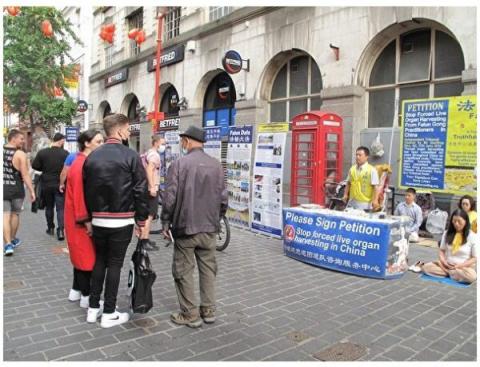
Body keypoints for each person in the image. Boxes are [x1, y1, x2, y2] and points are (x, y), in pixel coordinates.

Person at [83, 113, 148, 328]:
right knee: (114, 265)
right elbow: (140, 190)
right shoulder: (131, 156)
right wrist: (141, 220)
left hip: (99, 220)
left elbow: (87, 190)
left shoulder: (92, 157)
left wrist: (89, 217)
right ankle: (109, 311)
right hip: (121, 220)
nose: (129, 133)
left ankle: (93, 308)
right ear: (119, 131)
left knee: (100, 261)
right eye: (128, 129)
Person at [161, 125, 228, 328]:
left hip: (186, 226)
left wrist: (165, 221)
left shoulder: (180, 164)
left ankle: (189, 314)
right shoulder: (216, 165)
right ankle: (208, 310)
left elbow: (170, 197)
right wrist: (217, 218)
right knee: (208, 269)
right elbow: (224, 199)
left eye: (183, 140)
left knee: (183, 270)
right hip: (209, 227)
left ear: (186, 141)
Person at [65, 130, 104, 309]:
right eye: (98, 141)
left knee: (79, 256)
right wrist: (87, 221)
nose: (101, 144)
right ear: (87, 143)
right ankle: (87, 296)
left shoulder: (79, 161)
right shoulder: (82, 165)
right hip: (79, 219)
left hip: (74, 218)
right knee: (87, 259)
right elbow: (80, 197)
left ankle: (76, 291)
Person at [422, 209, 477, 284]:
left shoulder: (472, 236)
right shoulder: (447, 233)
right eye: (454, 221)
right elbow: (442, 250)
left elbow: (474, 258)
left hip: (463, 268)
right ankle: (452, 273)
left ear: (466, 221)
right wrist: (444, 262)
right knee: (426, 267)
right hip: (446, 266)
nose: (456, 224)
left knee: (472, 277)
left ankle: (449, 273)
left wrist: (459, 266)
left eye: (459, 222)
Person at [3, 130, 36, 256]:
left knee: (5, 216)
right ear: (13, 139)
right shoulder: (20, 154)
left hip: (3, 188)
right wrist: (32, 191)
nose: (23, 141)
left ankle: (7, 245)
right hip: (16, 189)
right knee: (15, 214)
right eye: (21, 139)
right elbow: (25, 174)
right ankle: (12, 239)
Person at [32, 132, 69, 240]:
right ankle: (61, 231)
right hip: (60, 184)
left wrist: (45, 168)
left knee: (49, 207)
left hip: (46, 184)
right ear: (61, 140)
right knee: (60, 209)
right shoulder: (65, 153)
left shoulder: (43, 153)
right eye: (63, 141)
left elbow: (35, 165)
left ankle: (50, 228)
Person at [141, 135, 166, 250]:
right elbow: (149, 169)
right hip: (151, 188)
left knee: (149, 215)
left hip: (146, 187)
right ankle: (144, 241)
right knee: (150, 215)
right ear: (156, 143)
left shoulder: (148, 152)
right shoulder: (154, 155)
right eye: (163, 143)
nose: (164, 146)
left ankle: (145, 239)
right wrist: (152, 187)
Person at [342, 146, 380, 211]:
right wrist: (345, 194)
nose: (357, 157)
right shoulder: (352, 168)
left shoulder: (372, 170)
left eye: (360, 155)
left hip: (365, 203)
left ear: (366, 157)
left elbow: (376, 187)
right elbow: (348, 183)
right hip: (352, 200)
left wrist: (375, 200)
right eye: (356, 155)